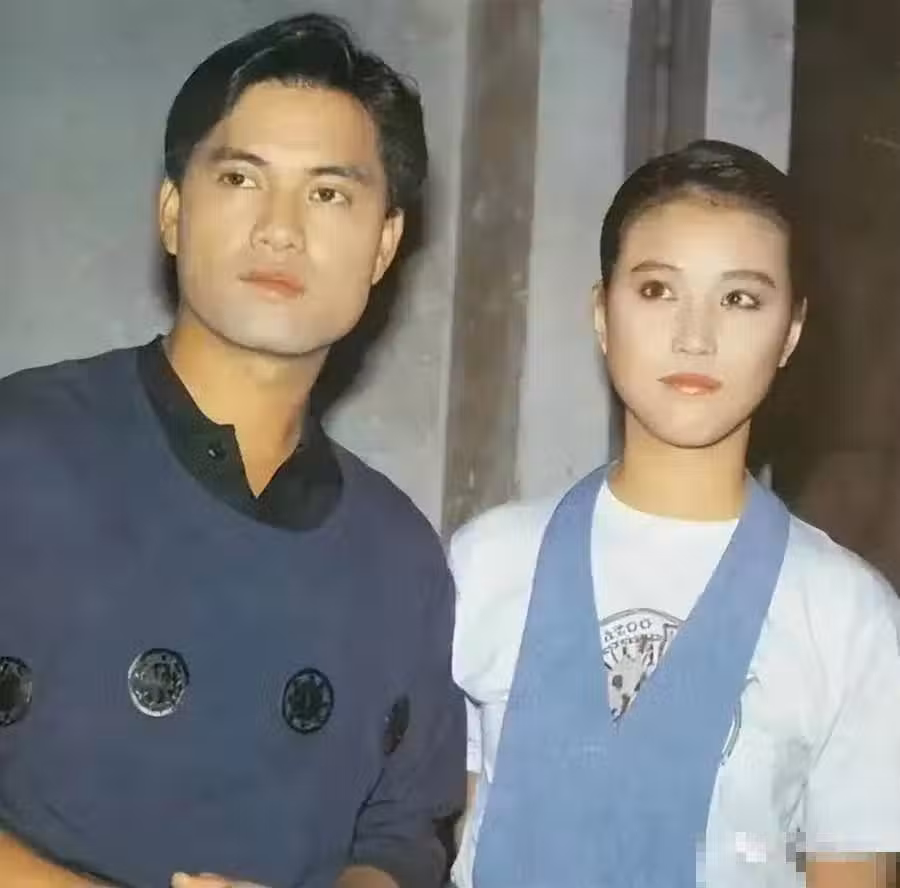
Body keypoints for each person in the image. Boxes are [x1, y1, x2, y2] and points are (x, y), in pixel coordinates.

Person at [0, 13, 465, 888]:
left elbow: (403, 836)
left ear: (384, 245)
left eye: (329, 194)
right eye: (243, 178)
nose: (280, 229)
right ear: (173, 213)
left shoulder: (399, 555)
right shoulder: (22, 447)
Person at [450, 140, 900, 888]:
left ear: (791, 332)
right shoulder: (485, 562)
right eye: (658, 290)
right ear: (603, 313)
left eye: (740, 299)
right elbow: (435, 831)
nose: (696, 336)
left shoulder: (847, 613)